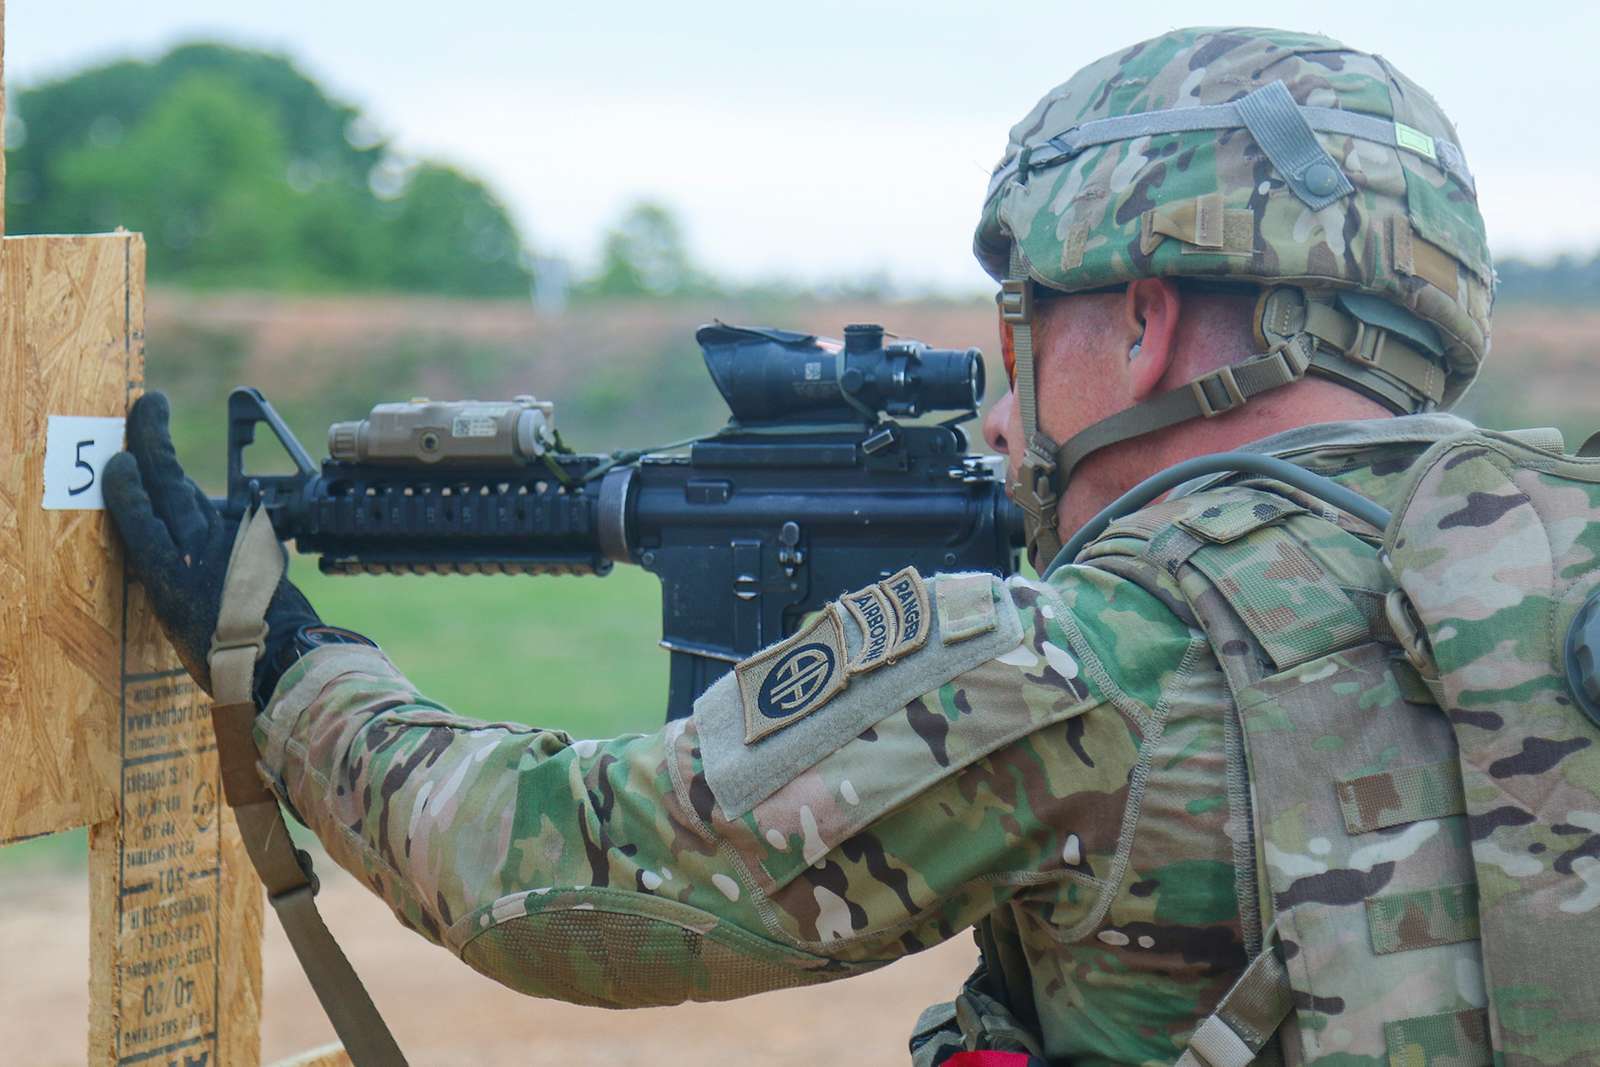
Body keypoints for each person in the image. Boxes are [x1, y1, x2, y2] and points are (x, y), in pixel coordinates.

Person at [106, 26, 1502, 1066]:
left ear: (1140, 327)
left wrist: (281, 660)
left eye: (1029, 327)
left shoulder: (1085, 664)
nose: (1008, 414)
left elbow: (554, 878)